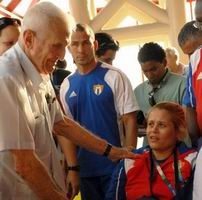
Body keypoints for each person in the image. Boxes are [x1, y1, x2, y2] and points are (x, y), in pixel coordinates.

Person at [0, 3, 136, 200]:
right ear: (29, 39)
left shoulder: (39, 71)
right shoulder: (6, 79)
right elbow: (24, 164)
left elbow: (62, 124)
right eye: (57, 46)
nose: (64, 55)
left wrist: (110, 151)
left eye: (65, 45)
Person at [60, 23, 139, 200]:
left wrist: (129, 160)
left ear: (94, 45)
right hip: (86, 170)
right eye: (75, 44)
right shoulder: (66, 85)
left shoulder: (114, 75)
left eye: (86, 43)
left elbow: (130, 120)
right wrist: (72, 168)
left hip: (115, 166)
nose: (81, 49)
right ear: (69, 48)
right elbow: (66, 131)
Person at [106, 102, 197, 200]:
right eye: (150, 124)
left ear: (178, 130)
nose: (154, 130)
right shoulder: (130, 160)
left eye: (161, 125)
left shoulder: (193, 160)